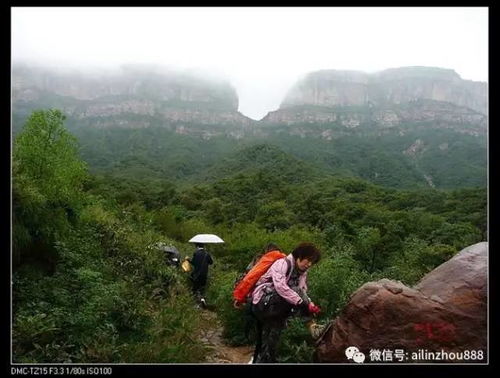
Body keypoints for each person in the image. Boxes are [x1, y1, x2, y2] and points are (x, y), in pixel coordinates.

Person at [250, 242, 321, 363]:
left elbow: (303, 291)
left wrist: (310, 304)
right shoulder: (282, 264)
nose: (309, 264)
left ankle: (261, 361)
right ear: (299, 256)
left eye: (312, 262)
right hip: (263, 303)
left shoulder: (302, 273)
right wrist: (301, 303)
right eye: (308, 260)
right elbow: (281, 287)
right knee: (295, 291)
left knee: (271, 341)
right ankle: (311, 325)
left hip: (277, 309)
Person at [188, 243, 213, 307]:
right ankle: (202, 299)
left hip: (197, 274)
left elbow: (193, 263)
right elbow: (211, 262)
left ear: (197, 246)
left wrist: (188, 260)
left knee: (194, 289)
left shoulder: (196, 253)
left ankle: (196, 304)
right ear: (204, 246)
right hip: (204, 274)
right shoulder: (207, 254)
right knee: (202, 288)